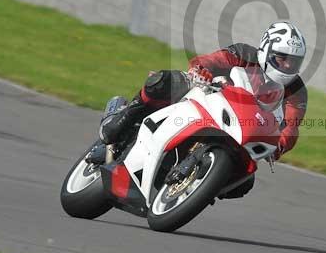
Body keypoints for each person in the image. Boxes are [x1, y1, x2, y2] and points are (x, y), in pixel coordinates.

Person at [94, 21, 309, 196]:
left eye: (294, 62)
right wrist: (201, 70)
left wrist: (279, 145)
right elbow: (210, 61)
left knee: (244, 182)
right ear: (266, 50)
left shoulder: (297, 90)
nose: (288, 66)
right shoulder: (245, 53)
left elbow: (291, 126)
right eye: (282, 58)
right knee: (164, 82)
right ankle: (120, 117)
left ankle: (198, 188)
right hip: (208, 97)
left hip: (242, 129)